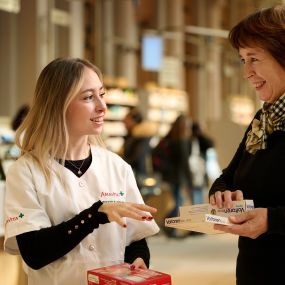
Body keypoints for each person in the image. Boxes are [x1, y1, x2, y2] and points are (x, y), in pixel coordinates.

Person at [3, 58, 160, 285]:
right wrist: (94, 215)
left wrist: (138, 260)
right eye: (88, 97)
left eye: (102, 94)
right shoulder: (26, 172)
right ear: (58, 104)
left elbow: (134, 238)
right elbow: (34, 253)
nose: (102, 106)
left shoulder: (117, 167)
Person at [208, 5, 285, 285]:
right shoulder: (263, 120)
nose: (247, 72)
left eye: (254, 58)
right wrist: (222, 195)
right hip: (255, 270)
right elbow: (227, 177)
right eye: (243, 60)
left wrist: (272, 220)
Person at [152, 114, 192, 237]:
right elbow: (184, 163)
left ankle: (170, 227)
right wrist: (189, 179)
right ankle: (168, 224)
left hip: (169, 176)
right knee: (179, 202)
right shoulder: (182, 140)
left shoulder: (169, 138)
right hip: (178, 176)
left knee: (177, 201)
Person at [121, 107, 156, 190]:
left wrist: (122, 164)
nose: (124, 122)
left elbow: (137, 157)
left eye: (126, 120)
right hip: (133, 173)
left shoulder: (141, 136)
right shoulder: (132, 135)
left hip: (137, 174)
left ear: (133, 121)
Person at [189, 122, 214, 204]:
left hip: (199, 172)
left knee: (199, 194)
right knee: (197, 195)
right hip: (195, 172)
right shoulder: (191, 140)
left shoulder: (198, 140)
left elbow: (211, 143)